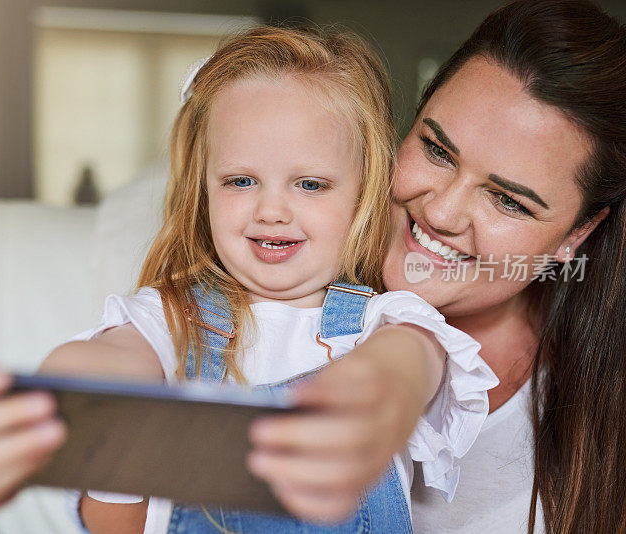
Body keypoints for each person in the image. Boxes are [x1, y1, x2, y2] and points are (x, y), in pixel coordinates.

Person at [0, 26, 498, 533]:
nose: (271, 210)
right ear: (204, 191)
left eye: (310, 184)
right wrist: (60, 402)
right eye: (241, 181)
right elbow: (110, 360)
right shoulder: (172, 317)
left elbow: (404, 368)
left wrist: (363, 404)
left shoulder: (385, 323)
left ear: (363, 194)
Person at [255, 1, 626, 532]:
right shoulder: (267, 301)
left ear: (578, 233)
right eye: (436, 149)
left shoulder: (602, 411)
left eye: (509, 202)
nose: (440, 212)